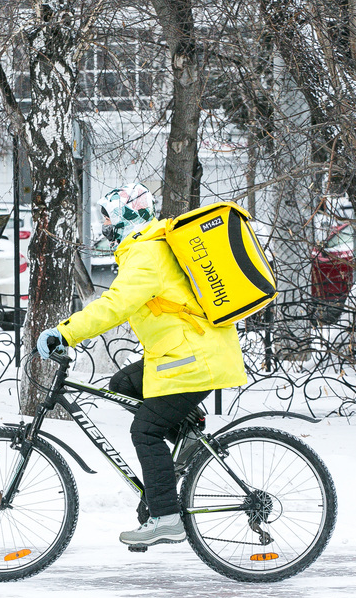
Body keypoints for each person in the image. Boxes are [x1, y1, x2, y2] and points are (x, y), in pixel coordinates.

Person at [37, 184, 247, 546]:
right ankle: (188, 433)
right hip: (189, 354)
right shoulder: (148, 246)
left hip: (193, 360)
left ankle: (165, 517)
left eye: (106, 216)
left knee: (145, 430)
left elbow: (115, 305)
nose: (102, 224)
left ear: (122, 217)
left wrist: (64, 333)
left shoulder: (146, 253)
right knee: (123, 385)